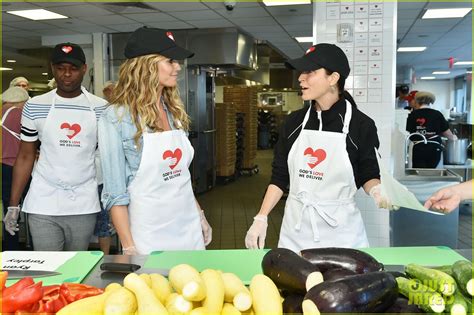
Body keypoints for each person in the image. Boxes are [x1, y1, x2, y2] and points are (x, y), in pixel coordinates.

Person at [245, 43, 394, 252]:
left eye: (310, 72)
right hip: (296, 232)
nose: (300, 78)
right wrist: (261, 217)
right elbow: (279, 177)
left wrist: (377, 191)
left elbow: (368, 173)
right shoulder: (293, 123)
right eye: (301, 72)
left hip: (342, 233)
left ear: (333, 78)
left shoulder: (361, 125)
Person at [98, 27, 212, 255]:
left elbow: (181, 175)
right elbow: (115, 193)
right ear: (146, 65)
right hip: (148, 232)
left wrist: (200, 215)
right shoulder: (117, 117)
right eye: (170, 61)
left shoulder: (173, 110)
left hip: (187, 223)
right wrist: (129, 246)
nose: (178, 67)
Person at [4, 42, 108, 251]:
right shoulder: (35, 106)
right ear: (53, 69)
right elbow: (25, 156)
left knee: (75, 267)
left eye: (73, 69)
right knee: (48, 266)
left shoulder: (100, 108)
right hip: (44, 199)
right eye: (61, 68)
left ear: (84, 69)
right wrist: (13, 204)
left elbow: (107, 156)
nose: (67, 74)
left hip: (83, 200)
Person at [1, 87, 30, 250]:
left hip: (2, 166)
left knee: (8, 210)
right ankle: (33, 246)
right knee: (29, 206)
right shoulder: (18, 114)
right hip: (16, 166)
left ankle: (10, 251)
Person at [406, 91, 456, 168]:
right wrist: (454, 138)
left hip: (419, 149)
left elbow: (408, 132)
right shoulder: (437, 114)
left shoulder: (413, 115)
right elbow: (447, 133)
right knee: (433, 173)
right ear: (430, 102)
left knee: (419, 173)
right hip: (434, 149)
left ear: (417, 101)